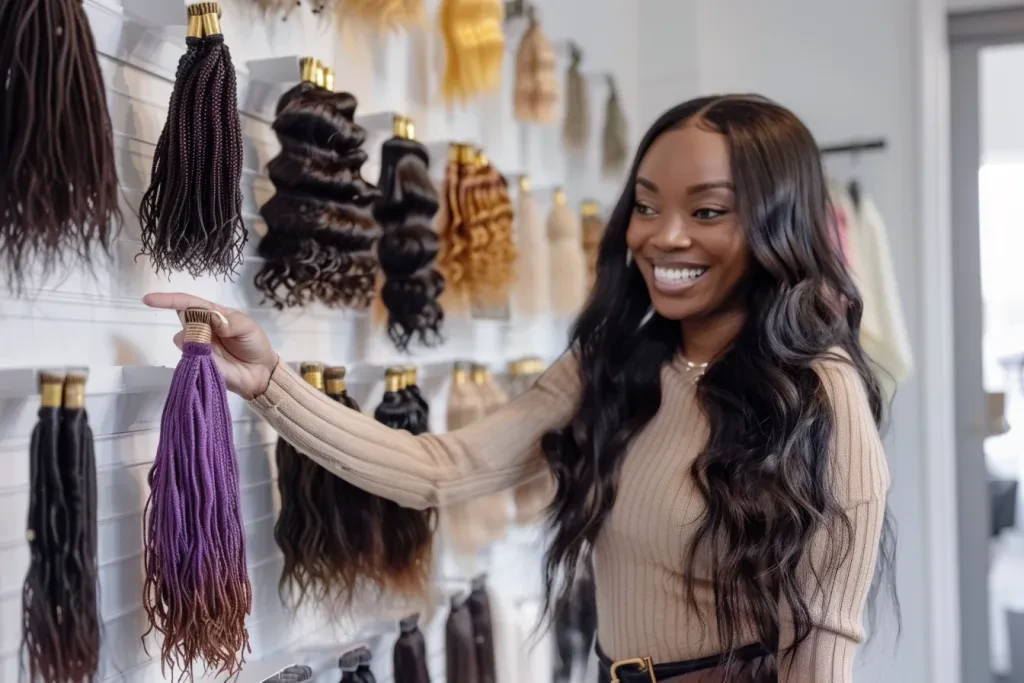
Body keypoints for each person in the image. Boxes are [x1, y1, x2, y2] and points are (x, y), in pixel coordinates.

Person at [144, 94, 896, 682]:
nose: (663, 236)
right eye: (646, 204)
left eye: (706, 211)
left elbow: (824, 645)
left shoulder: (820, 394)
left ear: (777, 225)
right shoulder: (615, 360)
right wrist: (270, 380)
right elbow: (443, 469)